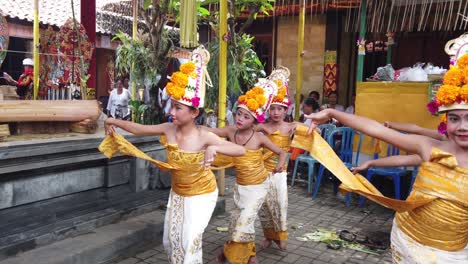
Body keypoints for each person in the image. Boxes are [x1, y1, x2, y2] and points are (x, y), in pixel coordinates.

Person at [304, 56, 468, 263]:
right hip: (407, 241)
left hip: (452, 255)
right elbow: (376, 129)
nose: (462, 127)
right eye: (454, 118)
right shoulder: (431, 148)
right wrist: (330, 112)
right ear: (445, 120)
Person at [102, 48, 246, 263]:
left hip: (202, 194)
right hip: (178, 193)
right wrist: (113, 120)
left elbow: (240, 150)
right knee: (171, 241)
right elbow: (140, 129)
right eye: (172, 105)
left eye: (178, 108)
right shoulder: (169, 129)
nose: (172, 111)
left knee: (190, 242)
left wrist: (215, 148)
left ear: (194, 112)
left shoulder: (204, 135)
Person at [208, 80, 288, 264]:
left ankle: (233, 255)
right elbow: (210, 131)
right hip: (241, 186)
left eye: (246, 116)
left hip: (259, 185)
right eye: (239, 114)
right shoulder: (230, 131)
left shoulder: (259, 137)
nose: (240, 119)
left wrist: (280, 165)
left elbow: (282, 152)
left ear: (254, 121)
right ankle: (249, 254)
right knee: (240, 220)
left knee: (244, 219)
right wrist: (191, 128)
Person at [254, 67, 294, 251]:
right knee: (264, 206)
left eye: (280, 109)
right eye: (273, 108)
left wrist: (314, 128)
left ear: (286, 110)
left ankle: (281, 236)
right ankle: (268, 237)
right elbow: (248, 134)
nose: (276, 112)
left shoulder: (291, 127)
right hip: (262, 170)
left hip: (280, 172)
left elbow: (310, 131)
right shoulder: (262, 127)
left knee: (280, 204)